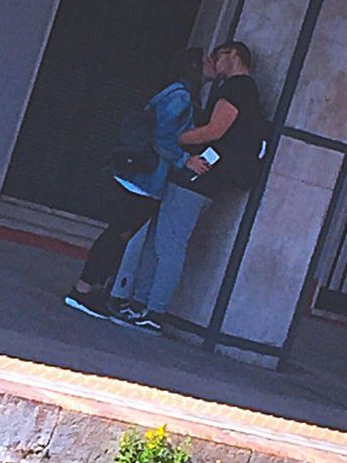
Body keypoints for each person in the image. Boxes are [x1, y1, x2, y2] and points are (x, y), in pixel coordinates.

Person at [114, 40, 264, 334]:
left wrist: (177, 139)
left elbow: (215, 130)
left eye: (218, 56)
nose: (214, 65)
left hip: (199, 178)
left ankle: (153, 310)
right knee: (161, 242)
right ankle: (141, 303)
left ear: (232, 54)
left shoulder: (237, 89)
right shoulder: (243, 91)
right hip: (200, 179)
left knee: (168, 245)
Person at [63, 47, 206, 320]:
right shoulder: (181, 96)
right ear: (196, 66)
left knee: (120, 233)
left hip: (143, 177)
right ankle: (82, 290)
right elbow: (164, 136)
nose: (212, 63)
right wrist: (184, 159)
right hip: (146, 179)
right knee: (118, 233)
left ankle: (91, 288)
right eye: (208, 59)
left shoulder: (178, 92)